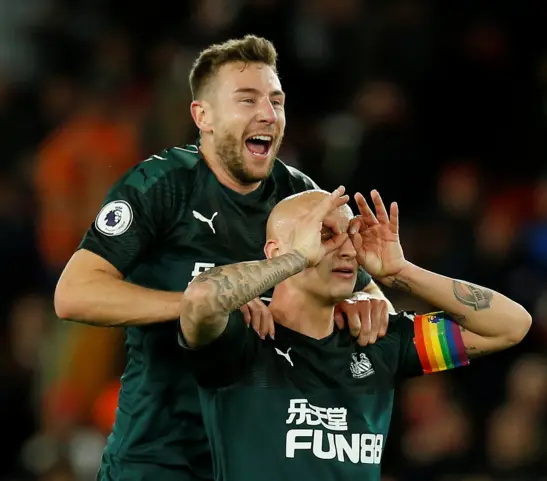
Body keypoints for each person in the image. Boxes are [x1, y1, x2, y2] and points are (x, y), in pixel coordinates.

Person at [53, 35, 392, 481]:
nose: (268, 115)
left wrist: (368, 305)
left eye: (276, 101)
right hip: (160, 457)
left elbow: (373, 299)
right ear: (203, 116)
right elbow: (73, 294)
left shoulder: (299, 197)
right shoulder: (161, 186)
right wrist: (201, 305)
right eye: (247, 100)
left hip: (259, 460)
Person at [179, 187, 533, 481]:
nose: (348, 248)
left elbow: (511, 326)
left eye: (351, 235)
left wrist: (401, 272)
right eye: (325, 234)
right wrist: (296, 258)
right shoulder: (243, 339)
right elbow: (199, 299)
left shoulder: (377, 340)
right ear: (276, 251)